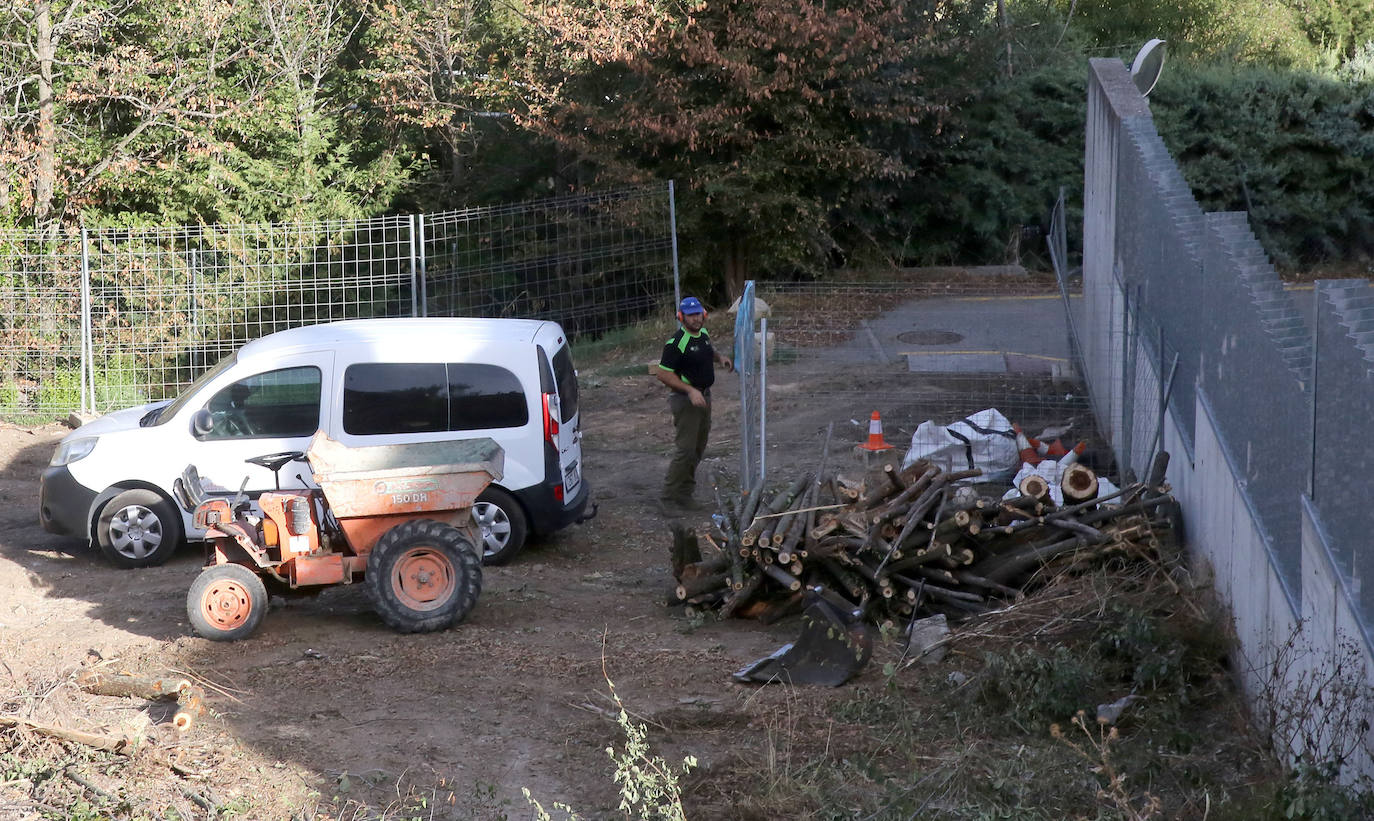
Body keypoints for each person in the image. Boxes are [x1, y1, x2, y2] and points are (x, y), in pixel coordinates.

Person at [656, 296, 732, 510]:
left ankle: (684, 494)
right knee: (685, 451)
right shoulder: (675, 343)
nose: (696, 319)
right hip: (686, 401)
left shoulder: (704, 334)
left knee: (698, 449)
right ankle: (668, 498)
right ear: (681, 318)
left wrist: (720, 358)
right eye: (690, 315)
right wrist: (689, 390)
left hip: (704, 398)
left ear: (704, 315)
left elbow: (708, 350)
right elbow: (663, 374)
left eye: (698, 314)